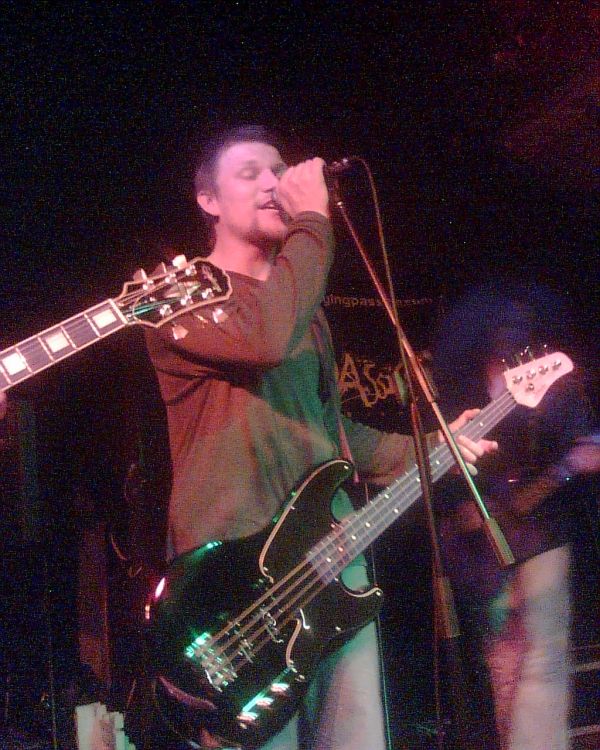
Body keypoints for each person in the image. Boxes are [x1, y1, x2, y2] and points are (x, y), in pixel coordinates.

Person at [143, 125, 498, 750]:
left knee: (357, 737)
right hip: (233, 578)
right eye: (250, 172)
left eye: (278, 169)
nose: (273, 182)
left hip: (328, 557)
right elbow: (266, 336)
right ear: (208, 200)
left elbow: (333, 434)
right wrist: (312, 222)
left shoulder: (304, 308)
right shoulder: (173, 295)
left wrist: (435, 446)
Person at [433, 286, 600, 750]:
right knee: (503, 664)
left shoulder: (549, 385)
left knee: (543, 657)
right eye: (507, 321)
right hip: (475, 540)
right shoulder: (458, 389)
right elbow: (437, 464)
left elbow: (580, 448)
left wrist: (566, 468)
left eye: (524, 322)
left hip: (540, 527)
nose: (516, 330)